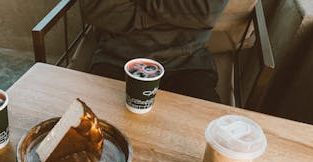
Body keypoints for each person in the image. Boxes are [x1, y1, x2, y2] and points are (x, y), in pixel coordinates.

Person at [79, 0, 229, 103]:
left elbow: (206, 12)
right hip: (117, 58)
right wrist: (173, 17)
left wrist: (140, 12)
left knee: (204, 136)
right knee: (93, 132)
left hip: (186, 62)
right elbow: (96, 9)